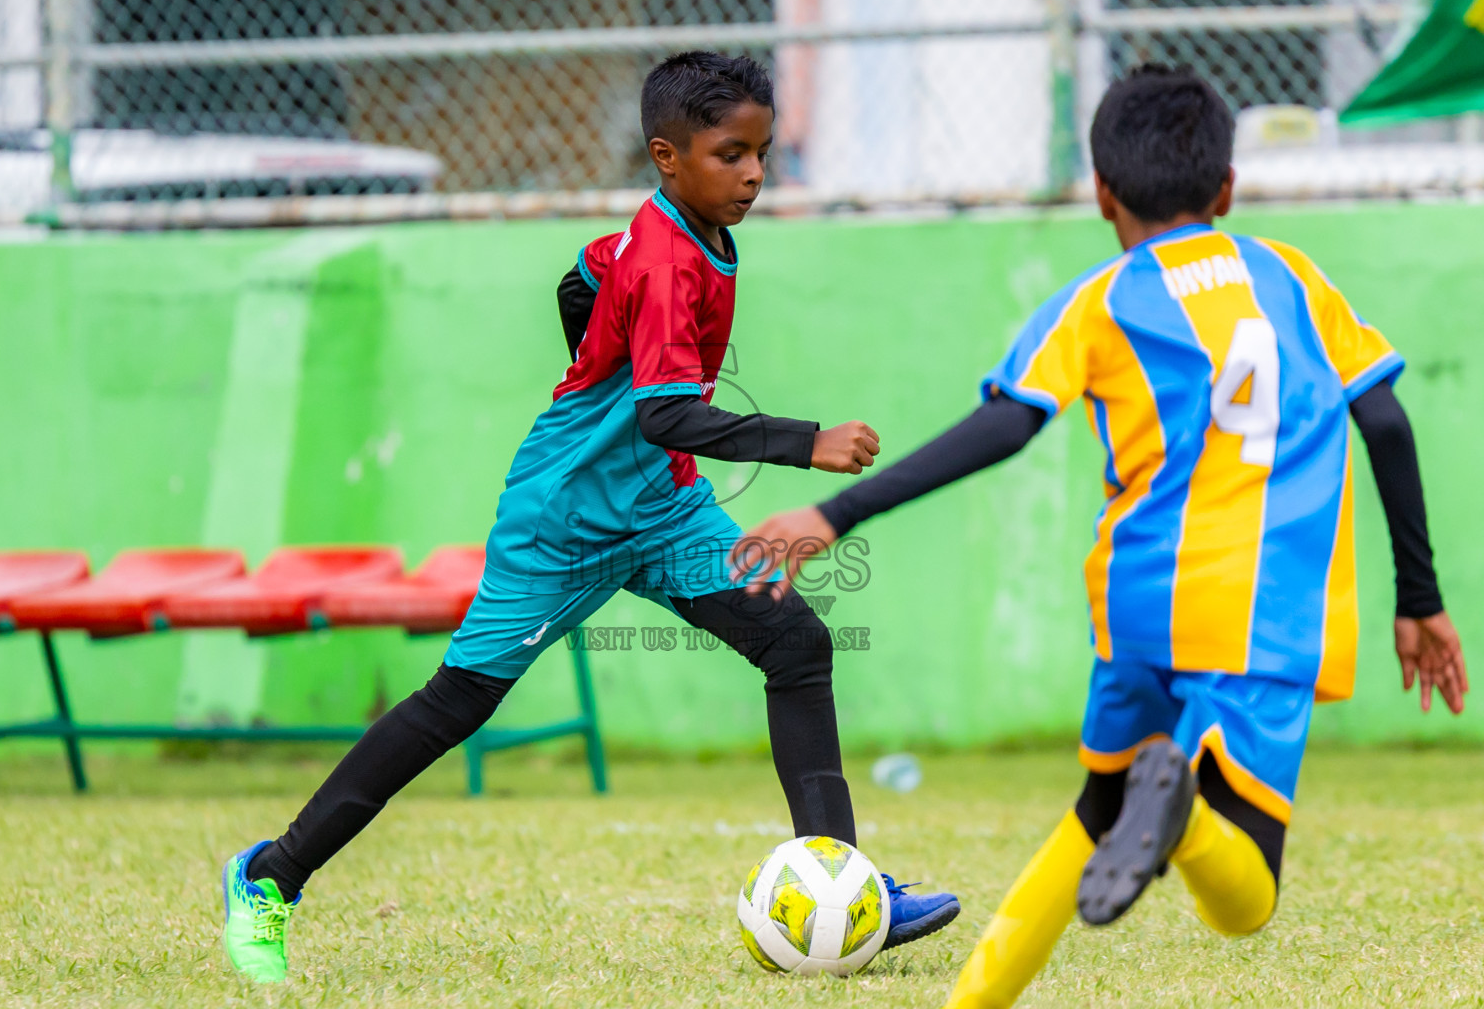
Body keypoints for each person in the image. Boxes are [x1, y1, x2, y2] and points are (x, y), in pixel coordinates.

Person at [730, 64, 1468, 1009]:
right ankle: (1186, 818)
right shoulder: (1292, 279)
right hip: (1267, 613)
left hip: (1139, 605)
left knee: (1095, 814)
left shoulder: (1099, 300)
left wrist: (834, 512)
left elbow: (1004, 426)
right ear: (1228, 189)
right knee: (1242, 902)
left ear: (1104, 194)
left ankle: (979, 991)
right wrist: (1420, 599)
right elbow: (1390, 425)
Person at [219, 51, 958, 984]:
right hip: (564, 519)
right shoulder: (662, 260)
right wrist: (804, 441)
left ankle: (849, 888)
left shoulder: (678, 238)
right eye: (731, 155)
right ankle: (267, 879)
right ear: (667, 156)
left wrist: (592, 358)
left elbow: (580, 277)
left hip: (663, 508)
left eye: (761, 153)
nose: (754, 174)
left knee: (796, 646)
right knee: (459, 704)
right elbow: (664, 413)